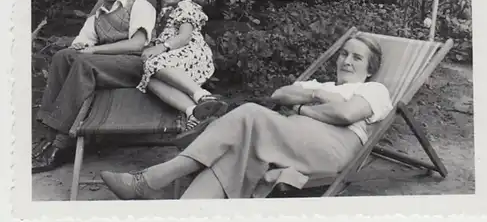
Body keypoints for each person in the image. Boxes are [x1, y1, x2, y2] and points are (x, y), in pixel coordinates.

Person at [99, 32, 395, 199]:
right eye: (344, 54)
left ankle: (152, 179)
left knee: (251, 114)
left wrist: (305, 106)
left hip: (330, 148)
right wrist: (319, 96)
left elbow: (345, 113)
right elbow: (280, 95)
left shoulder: (375, 90)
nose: (346, 61)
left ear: (370, 69)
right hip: (288, 139)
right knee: (233, 155)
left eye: (357, 57)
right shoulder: (322, 85)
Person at [32, 0, 157, 173]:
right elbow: (80, 45)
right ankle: (50, 135)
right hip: (106, 66)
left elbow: (137, 44)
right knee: (63, 56)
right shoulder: (96, 17)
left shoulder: (140, 6)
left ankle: (60, 144)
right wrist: (79, 49)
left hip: (137, 66)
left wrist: (93, 50)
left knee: (83, 63)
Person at [136, 0, 227, 143]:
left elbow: (184, 36)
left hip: (190, 53)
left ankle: (202, 95)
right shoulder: (162, 13)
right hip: (173, 57)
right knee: (149, 80)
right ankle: (192, 112)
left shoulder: (186, 6)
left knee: (153, 64)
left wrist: (161, 48)